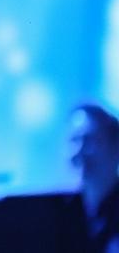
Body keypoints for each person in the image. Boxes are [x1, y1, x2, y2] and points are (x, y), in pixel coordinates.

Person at [70, 102, 119, 253]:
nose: (79, 151)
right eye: (74, 140)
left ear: (116, 147)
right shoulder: (62, 213)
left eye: (90, 140)